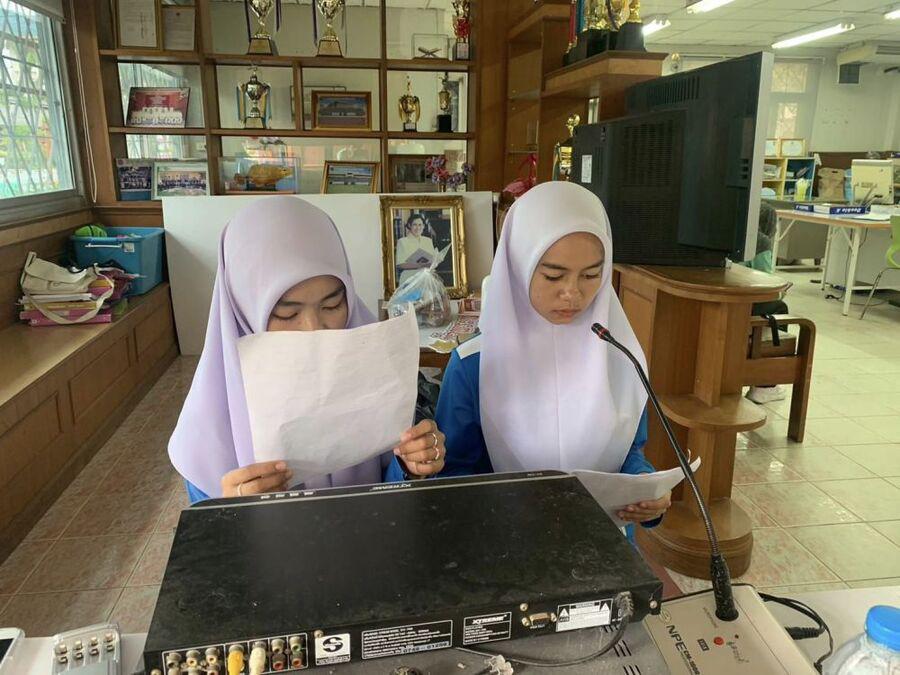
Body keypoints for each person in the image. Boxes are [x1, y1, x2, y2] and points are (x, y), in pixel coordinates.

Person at [168, 197, 446, 503]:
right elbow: (209, 528)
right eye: (287, 313)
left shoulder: (373, 368)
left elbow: (393, 494)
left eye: (332, 305)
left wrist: (410, 466)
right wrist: (232, 510)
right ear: (241, 310)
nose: (314, 329)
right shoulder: (209, 426)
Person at [430, 182, 670, 532]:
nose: (572, 293)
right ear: (518, 266)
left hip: (603, 542)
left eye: (591, 275)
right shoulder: (475, 364)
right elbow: (453, 475)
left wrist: (645, 491)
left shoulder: (619, 354)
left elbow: (630, 451)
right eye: (553, 275)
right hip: (507, 543)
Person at [745, 201, 789, 404]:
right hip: (745, 305)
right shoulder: (760, 242)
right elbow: (766, 285)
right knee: (778, 307)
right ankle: (765, 385)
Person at [395, 212, 438, 285]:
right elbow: (400, 264)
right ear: (409, 225)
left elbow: (432, 260)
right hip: (409, 278)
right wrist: (420, 265)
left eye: (420, 225)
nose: (418, 228)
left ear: (423, 226)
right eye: (414, 225)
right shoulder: (402, 242)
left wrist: (435, 262)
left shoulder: (428, 241)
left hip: (426, 278)